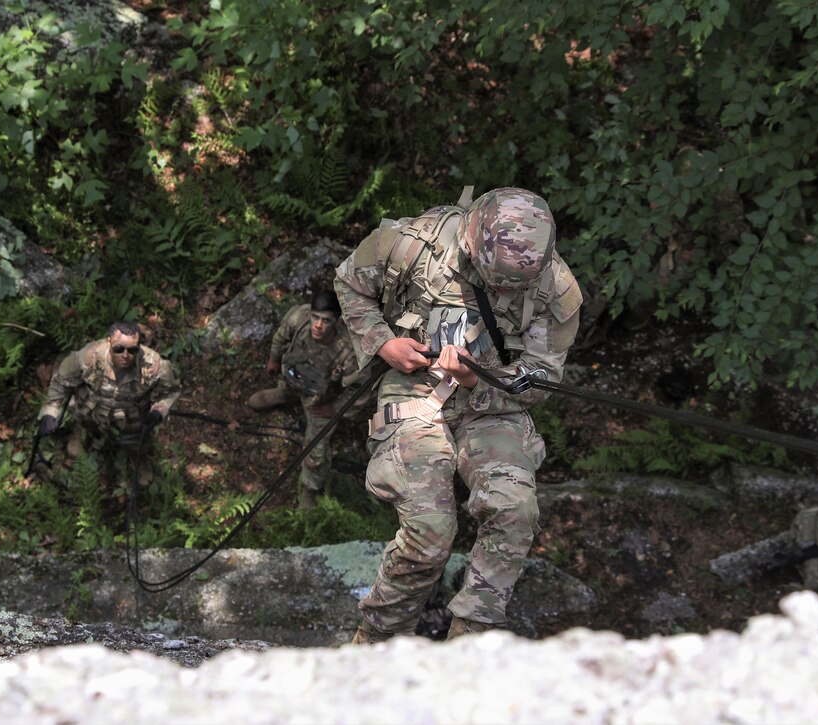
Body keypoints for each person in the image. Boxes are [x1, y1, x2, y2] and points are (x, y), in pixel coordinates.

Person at [333, 186, 582, 642]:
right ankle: (376, 646)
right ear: (471, 243)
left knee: (515, 510)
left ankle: (469, 645)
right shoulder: (409, 244)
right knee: (429, 532)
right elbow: (350, 283)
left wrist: (481, 379)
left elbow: (541, 377)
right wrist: (384, 343)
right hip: (416, 387)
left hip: (492, 404)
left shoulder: (555, 288)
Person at [247, 290, 361, 509]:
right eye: (315, 317)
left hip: (319, 399)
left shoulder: (349, 351)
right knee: (272, 392)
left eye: (326, 321)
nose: (318, 325)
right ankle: (283, 395)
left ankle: (310, 488)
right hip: (294, 378)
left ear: (336, 322)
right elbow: (281, 337)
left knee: (315, 450)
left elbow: (360, 391)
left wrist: (335, 408)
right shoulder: (298, 318)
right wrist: (273, 359)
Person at [37, 321, 180, 492]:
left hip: (130, 416)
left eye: (132, 350)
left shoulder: (154, 366)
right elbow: (61, 382)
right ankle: (81, 433)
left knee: (137, 441)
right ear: (109, 342)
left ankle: (139, 459)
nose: (125, 355)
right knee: (83, 422)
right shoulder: (88, 357)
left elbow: (170, 392)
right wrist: (50, 413)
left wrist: (158, 411)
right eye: (119, 349)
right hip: (91, 409)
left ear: (139, 347)